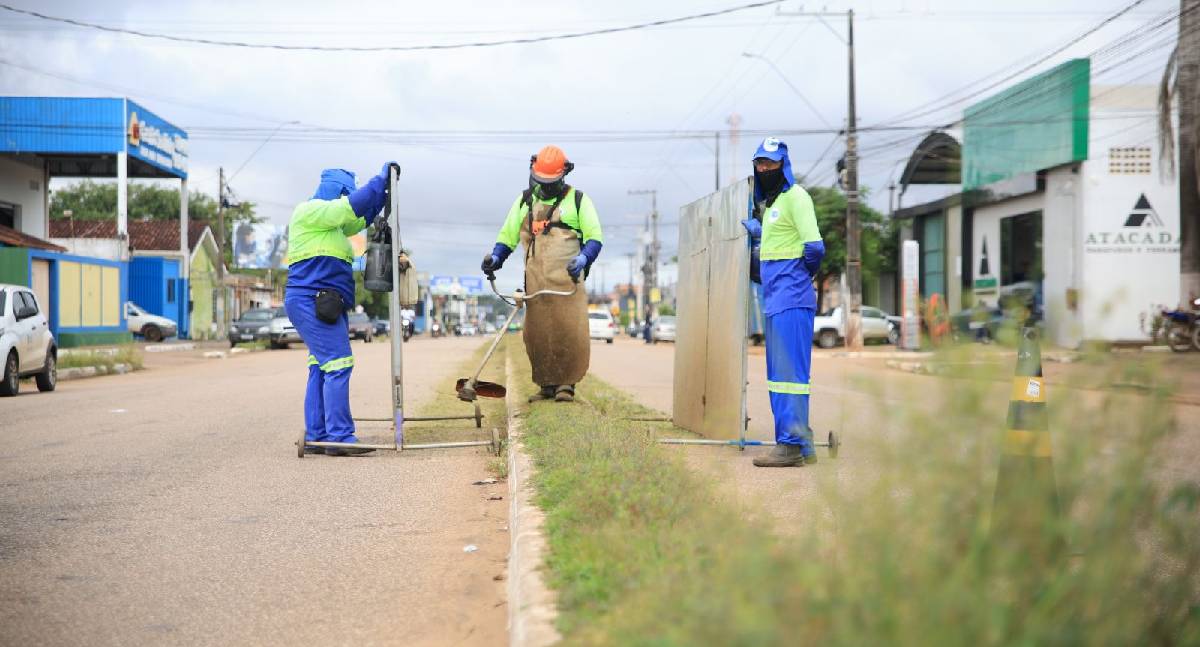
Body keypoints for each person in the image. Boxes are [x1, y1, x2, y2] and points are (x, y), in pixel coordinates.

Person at [285, 164, 392, 456]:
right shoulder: (310, 211)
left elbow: (356, 220)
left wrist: (379, 199)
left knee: (321, 367)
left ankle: (319, 435)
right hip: (311, 300)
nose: (347, 197)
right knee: (339, 363)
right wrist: (378, 181)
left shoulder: (331, 224)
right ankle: (340, 437)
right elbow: (347, 208)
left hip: (324, 302)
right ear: (335, 189)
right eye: (346, 191)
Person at [482, 145, 603, 403]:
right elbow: (508, 236)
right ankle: (546, 385)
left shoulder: (578, 200)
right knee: (537, 334)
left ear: (563, 176)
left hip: (568, 282)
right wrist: (496, 258)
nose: (545, 187)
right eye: (541, 181)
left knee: (569, 331)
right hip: (536, 282)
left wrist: (583, 259)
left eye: (551, 182)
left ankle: (566, 385)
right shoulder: (525, 201)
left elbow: (595, 238)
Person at [742, 137, 824, 467]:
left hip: (791, 298)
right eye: (760, 163)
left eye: (771, 163)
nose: (765, 168)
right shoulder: (775, 205)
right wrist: (760, 233)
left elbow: (814, 248)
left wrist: (801, 276)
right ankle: (802, 443)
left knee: (789, 374)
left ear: (784, 165)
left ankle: (789, 445)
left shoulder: (796, 197)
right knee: (780, 374)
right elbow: (777, 250)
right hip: (777, 299)